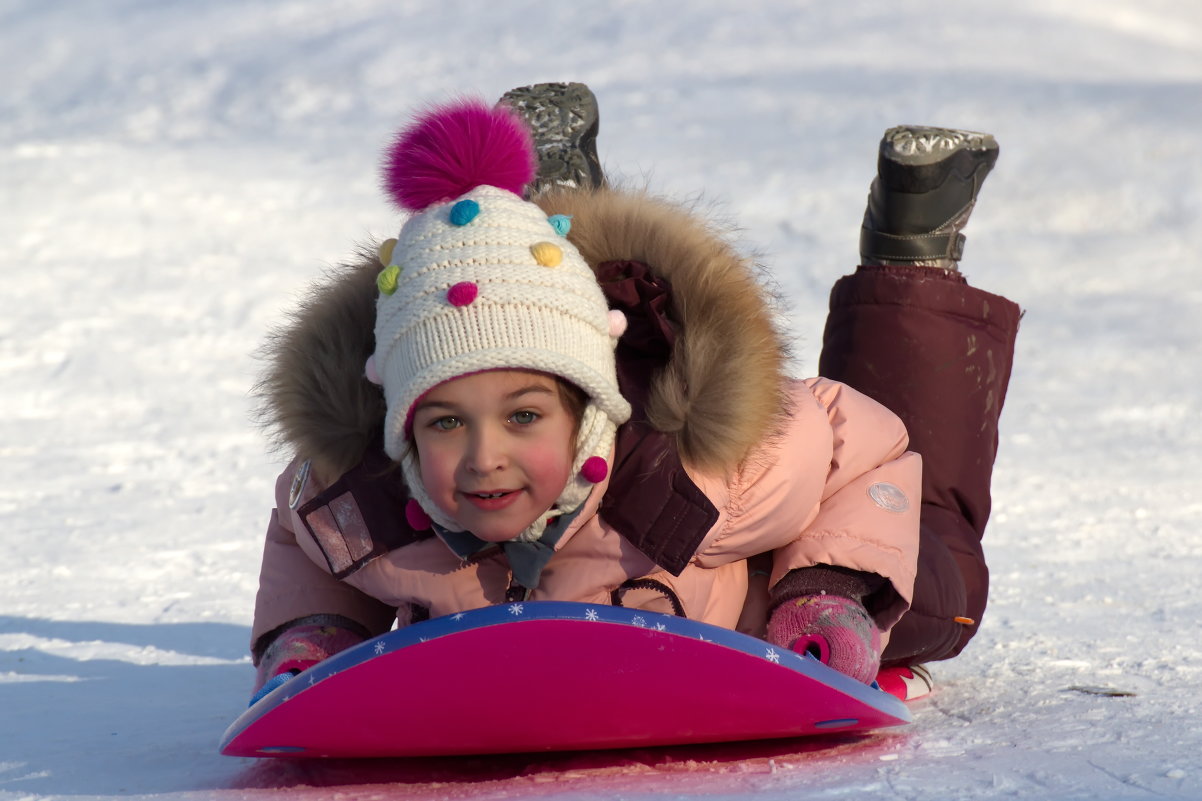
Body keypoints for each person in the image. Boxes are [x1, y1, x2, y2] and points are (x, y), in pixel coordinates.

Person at [248, 83, 1019, 704]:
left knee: (938, 570)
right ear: (404, 430)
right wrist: (315, 633)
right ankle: (554, 215)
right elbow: (305, 527)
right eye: (447, 422)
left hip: (802, 547)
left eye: (524, 416)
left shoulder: (698, 479)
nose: (485, 458)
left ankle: (912, 256)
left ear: (589, 411)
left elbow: (871, 445)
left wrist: (829, 592)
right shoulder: (371, 500)